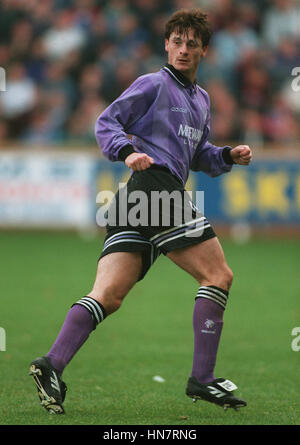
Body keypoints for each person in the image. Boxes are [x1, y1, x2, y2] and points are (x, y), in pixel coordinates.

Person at [29, 9, 252, 414]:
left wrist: (226, 155)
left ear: (204, 49)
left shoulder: (201, 99)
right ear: (166, 45)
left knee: (108, 296)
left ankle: (51, 365)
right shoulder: (153, 84)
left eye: (191, 43)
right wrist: (128, 151)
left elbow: (197, 153)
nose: (183, 49)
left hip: (138, 197)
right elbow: (106, 122)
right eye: (177, 42)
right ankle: (202, 379)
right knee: (218, 275)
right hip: (154, 189)